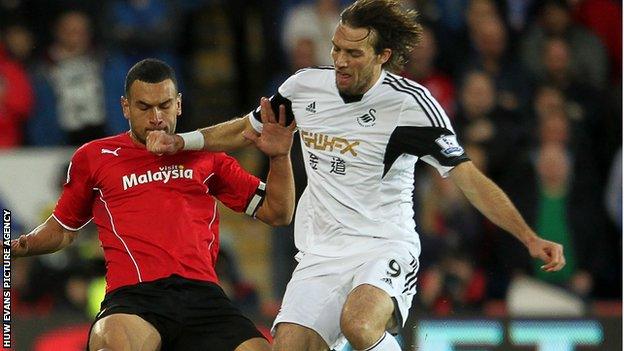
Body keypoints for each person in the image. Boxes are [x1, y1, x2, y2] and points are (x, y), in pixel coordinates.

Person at [147, 1, 566, 350]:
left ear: (383, 56)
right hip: (321, 252)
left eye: (354, 54)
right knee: (290, 345)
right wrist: (182, 142)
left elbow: (469, 178)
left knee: (360, 325)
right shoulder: (304, 88)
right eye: (336, 50)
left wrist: (528, 236)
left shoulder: (412, 106)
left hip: (384, 245)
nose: (340, 62)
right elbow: (247, 128)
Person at [11, 58, 296, 351]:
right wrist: (20, 246)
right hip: (135, 299)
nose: (156, 117)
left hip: (203, 298)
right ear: (125, 107)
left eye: (165, 105)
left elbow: (279, 212)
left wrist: (279, 157)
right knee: (112, 344)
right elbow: (63, 228)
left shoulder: (207, 155)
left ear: (179, 104)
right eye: (144, 107)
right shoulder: (95, 156)